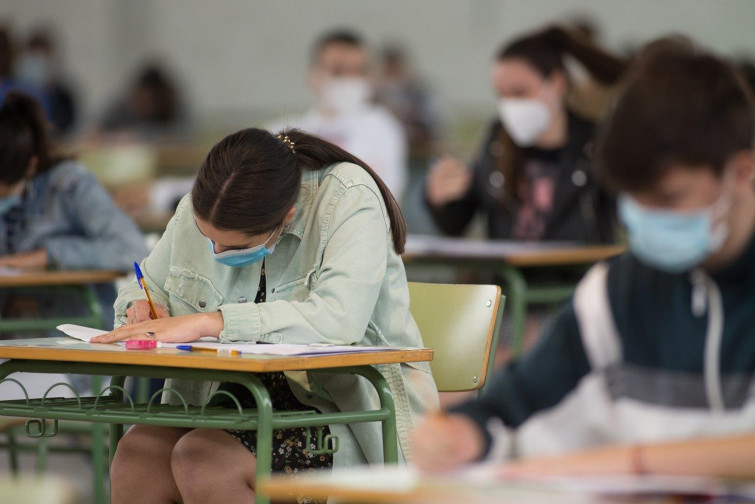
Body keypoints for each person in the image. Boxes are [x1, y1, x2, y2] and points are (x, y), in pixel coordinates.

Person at [411, 39, 755, 478]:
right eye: (635, 200)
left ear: (741, 172)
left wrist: (635, 462)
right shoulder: (614, 293)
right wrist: (463, 434)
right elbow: (514, 402)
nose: (649, 216)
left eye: (670, 197)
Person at [91, 128, 439, 503]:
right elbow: (149, 283)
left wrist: (214, 321)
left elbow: (341, 320)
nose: (217, 250)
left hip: (343, 414)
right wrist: (137, 308)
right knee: (135, 456)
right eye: (209, 239)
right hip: (229, 404)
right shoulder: (211, 200)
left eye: (237, 246)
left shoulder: (346, 197)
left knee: (203, 461)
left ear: (287, 215)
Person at [426, 26, 625, 243]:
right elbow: (456, 223)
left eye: (519, 92)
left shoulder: (596, 145)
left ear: (556, 83)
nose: (510, 105)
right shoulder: (497, 141)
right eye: (501, 95)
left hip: (578, 275)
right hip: (507, 276)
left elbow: (627, 213)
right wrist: (441, 200)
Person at [0, 91, 148, 330]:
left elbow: (132, 250)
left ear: (31, 166)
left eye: (5, 191)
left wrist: (49, 256)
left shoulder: (70, 185)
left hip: (69, 323)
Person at [268, 29, 408, 202]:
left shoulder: (383, 127)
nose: (350, 79)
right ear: (313, 75)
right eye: (338, 71)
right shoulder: (280, 132)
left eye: (359, 71)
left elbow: (382, 195)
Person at [16, 27, 78, 135]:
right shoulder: (13, 95)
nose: (37, 65)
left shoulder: (64, 97)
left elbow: (66, 130)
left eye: (42, 58)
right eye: (34, 58)